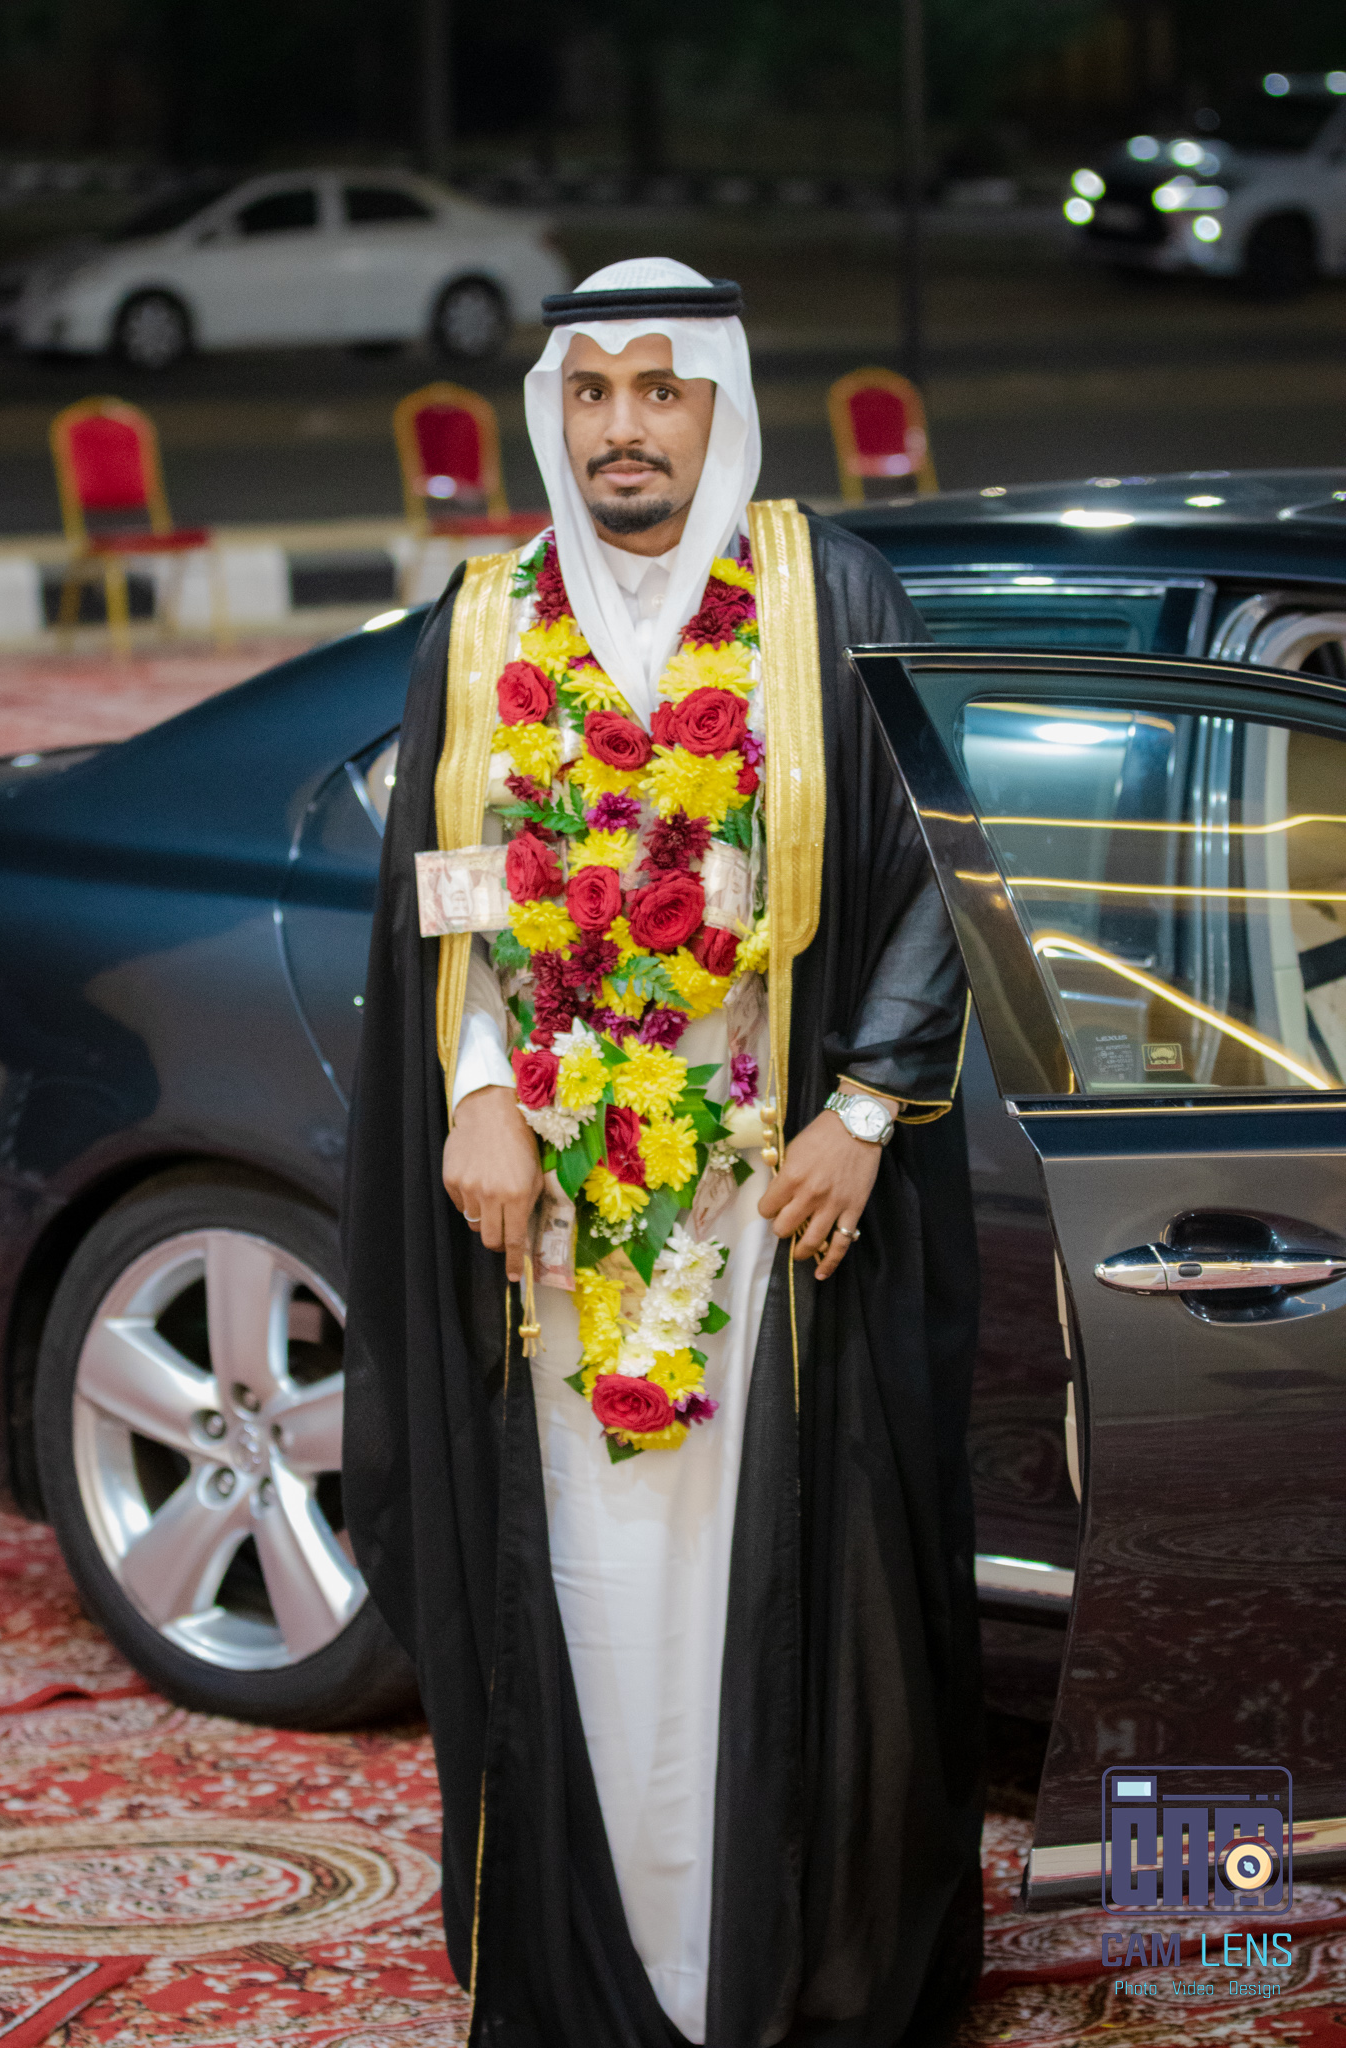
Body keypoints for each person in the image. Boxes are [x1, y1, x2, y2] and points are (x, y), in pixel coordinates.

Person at [343, 257, 983, 2048]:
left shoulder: (825, 593)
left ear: (719, 402)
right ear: (555, 410)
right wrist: (480, 1087)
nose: (622, 429)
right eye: (591, 392)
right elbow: (453, 887)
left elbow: (937, 860)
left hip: (771, 1190)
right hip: (555, 1201)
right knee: (590, 1577)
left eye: (658, 388)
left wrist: (867, 1110)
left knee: (759, 1580)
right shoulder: (485, 621)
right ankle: (599, 1973)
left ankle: (771, 1972)